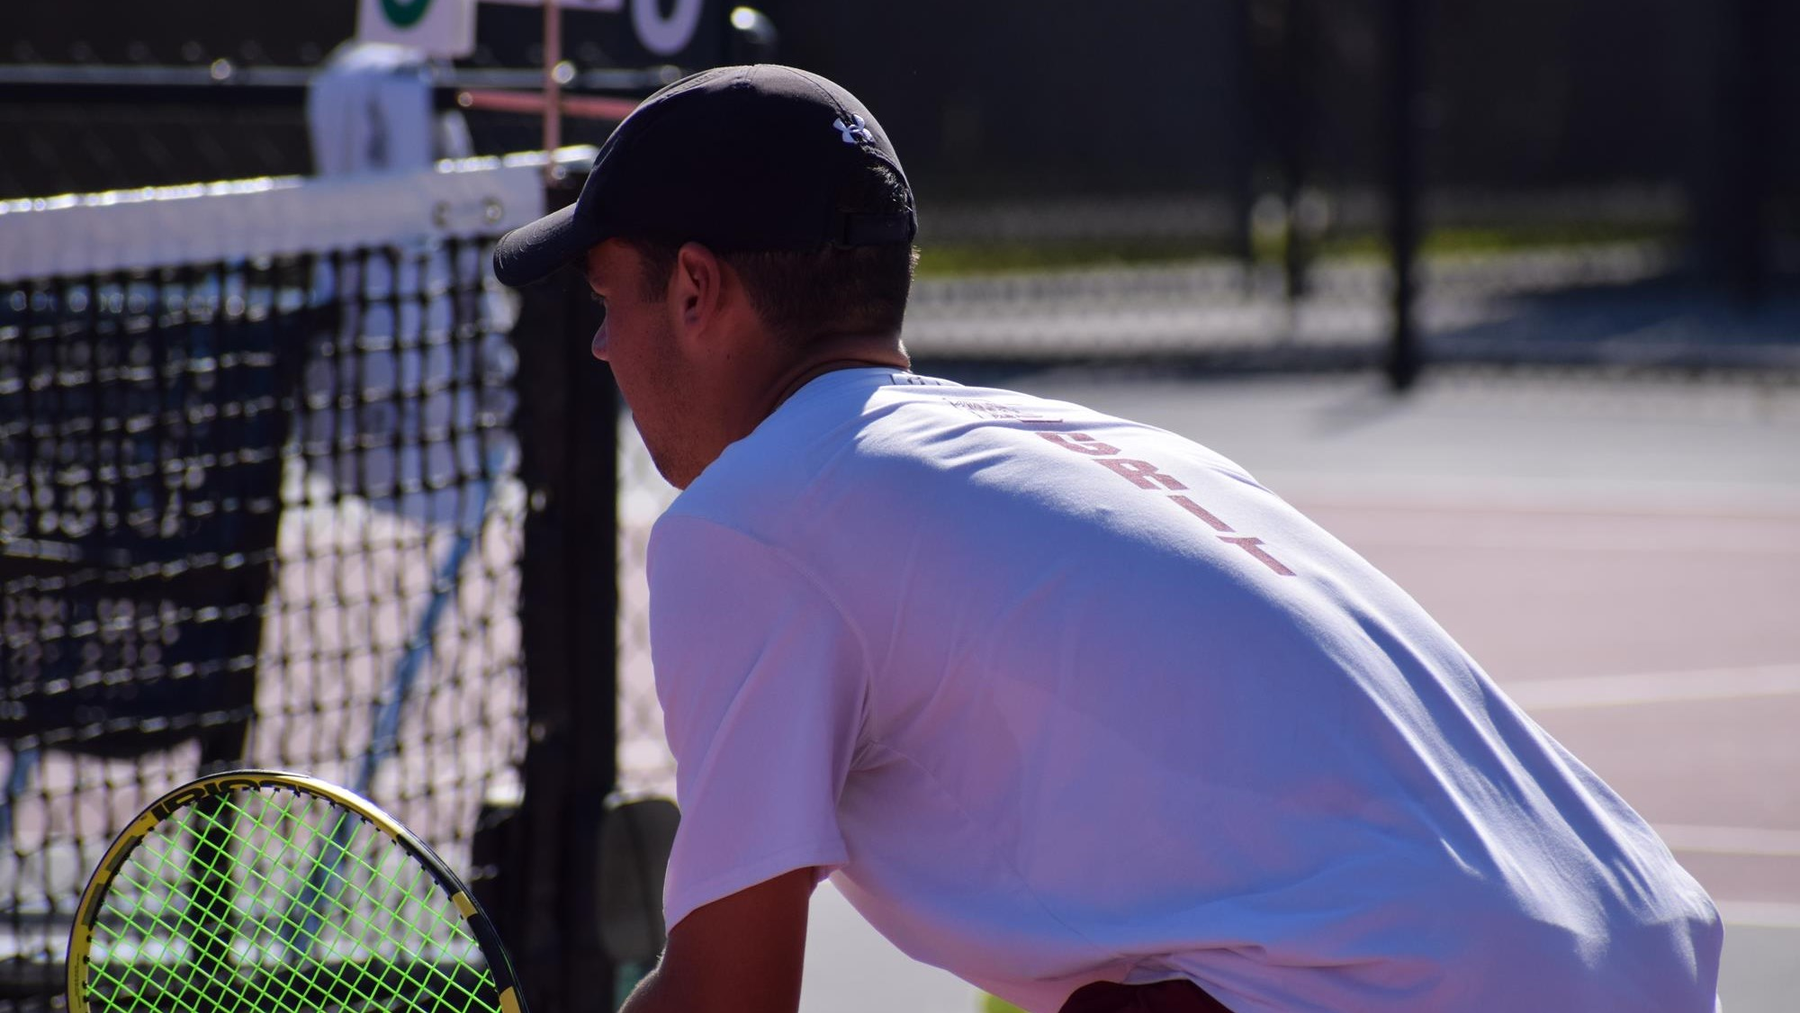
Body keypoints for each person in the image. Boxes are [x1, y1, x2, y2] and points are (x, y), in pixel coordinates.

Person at [493, 65, 1723, 1013]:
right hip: (1645, 951)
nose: (600, 347)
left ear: (697, 290)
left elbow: (728, 998)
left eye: (609, 301)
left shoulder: (747, 523)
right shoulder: (1106, 446)